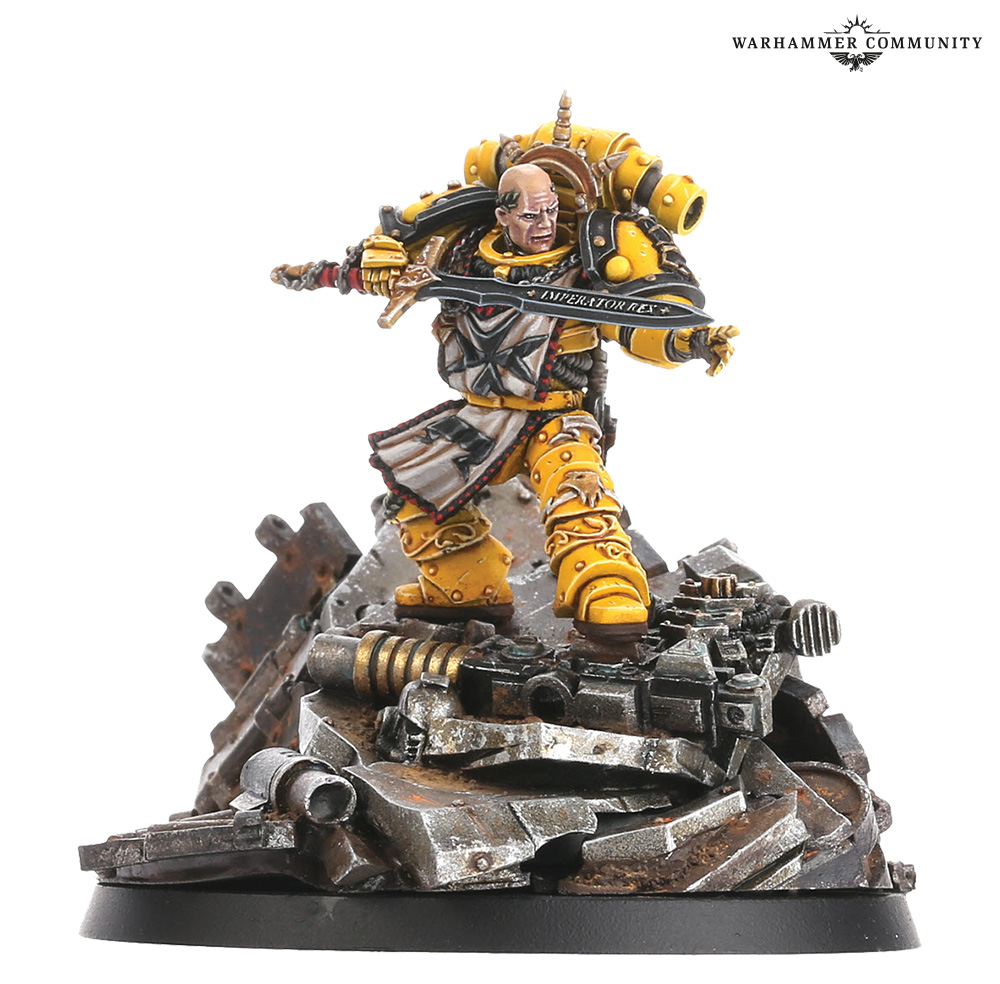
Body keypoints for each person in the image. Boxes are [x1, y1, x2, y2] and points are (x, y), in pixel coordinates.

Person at [272, 95, 737, 644]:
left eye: (551, 211)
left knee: (579, 493)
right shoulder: (463, 251)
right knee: (415, 492)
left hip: (556, 415)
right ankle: (467, 586)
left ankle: (607, 590)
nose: (545, 224)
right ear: (503, 214)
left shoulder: (583, 261)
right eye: (531, 214)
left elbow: (638, 322)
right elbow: (383, 258)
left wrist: (690, 340)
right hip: (482, 415)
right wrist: (357, 269)